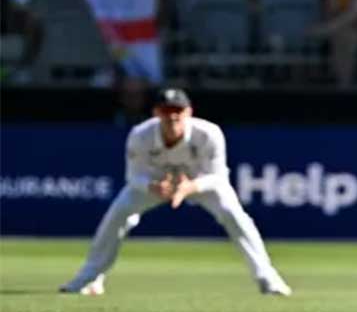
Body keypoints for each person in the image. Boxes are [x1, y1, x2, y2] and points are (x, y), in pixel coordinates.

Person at [60, 88, 291, 296]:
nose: (172, 116)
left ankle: (267, 278)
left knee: (234, 214)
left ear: (188, 112)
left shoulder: (209, 134)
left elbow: (218, 177)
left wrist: (189, 187)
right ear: (156, 113)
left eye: (177, 110)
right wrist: (154, 187)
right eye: (166, 110)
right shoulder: (141, 135)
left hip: (200, 183)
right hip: (156, 183)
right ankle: (90, 278)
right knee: (119, 212)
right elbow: (133, 177)